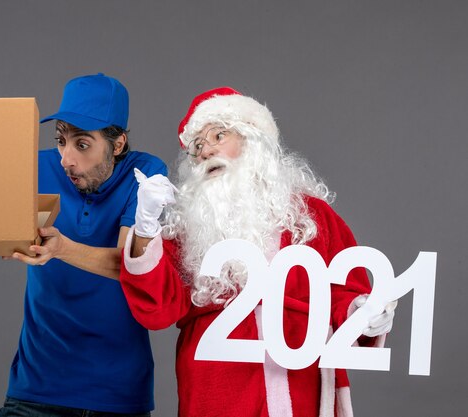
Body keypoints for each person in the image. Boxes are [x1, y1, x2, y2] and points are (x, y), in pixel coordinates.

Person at [0, 73, 166, 416]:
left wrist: (61, 248)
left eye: (82, 144)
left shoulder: (146, 174)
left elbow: (131, 265)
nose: (67, 158)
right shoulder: (34, 168)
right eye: (61, 141)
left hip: (119, 393)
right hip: (38, 387)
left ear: (118, 144)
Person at [118, 87, 396, 417]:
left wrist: (362, 314)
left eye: (218, 135)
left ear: (254, 141)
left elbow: (346, 290)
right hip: (217, 387)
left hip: (301, 381)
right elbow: (158, 308)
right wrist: (146, 226)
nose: (205, 152)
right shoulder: (189, 228)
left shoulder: (313, 215)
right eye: (197, 146)